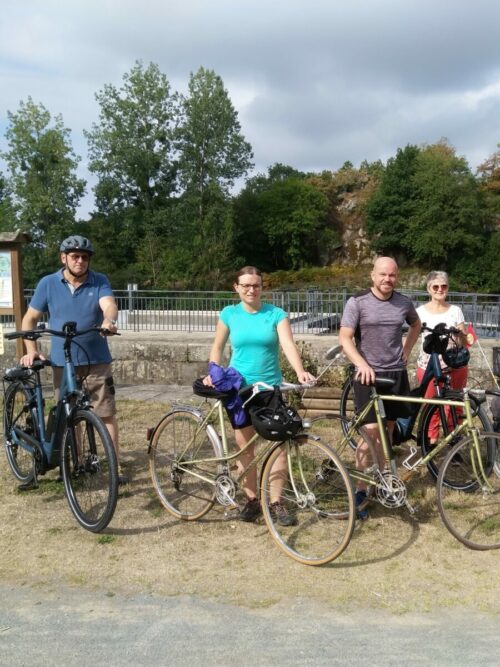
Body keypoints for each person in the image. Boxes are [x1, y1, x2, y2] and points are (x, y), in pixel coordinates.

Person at [203, 266, 316, 524]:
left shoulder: (276, 314)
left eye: (256, 285)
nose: (251, 289)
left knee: (281, 445)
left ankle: (276, 502)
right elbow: (217, 347)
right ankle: (252, 500)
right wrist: (213, 370)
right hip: (239, 389)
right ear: (236, 287)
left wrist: (300, 372)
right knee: (245, 448)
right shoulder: (229, 314)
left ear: (262, 287)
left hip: (269, 390)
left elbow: (288, 344)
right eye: (246, 285)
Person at [19, 235, 127, 485]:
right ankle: (77, 463)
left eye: (84, 257)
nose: (80, 261)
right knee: (69, 416)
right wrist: (31, 349)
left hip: (96, 360)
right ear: (63, 258)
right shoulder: (48, 283)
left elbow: (109, 304)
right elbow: (30, 319)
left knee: (106, 413)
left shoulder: (99, 280)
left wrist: (108, 321)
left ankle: (114, 466)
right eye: (75, 256)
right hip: (62, 363)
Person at [338, 256, 421, 519]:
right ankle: (362, 489)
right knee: (370, 434)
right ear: (373, 275)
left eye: (392, 275)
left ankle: (385, 482)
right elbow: (345, 337)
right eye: (383, 274)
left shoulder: (403, 302)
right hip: (367, 376)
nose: (387, 279)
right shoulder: (358, 301)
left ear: (397, 277)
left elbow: (416, 324)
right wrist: (360, 364)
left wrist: (407, 349)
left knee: (388, 431)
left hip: (395, 374)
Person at [415, 270, 468, 444]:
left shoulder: (455, 310)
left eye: (443, 286)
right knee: (431, 406)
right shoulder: (419, 312)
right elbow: (411, 336)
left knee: (455, 405)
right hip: (429, 365)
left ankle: (454, 442)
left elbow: (463, 340)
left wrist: (461, 335)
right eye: (435, 286)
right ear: (429, 289)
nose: (440, 289)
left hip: (454, 364)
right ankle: (431, 442)